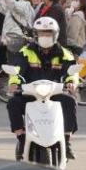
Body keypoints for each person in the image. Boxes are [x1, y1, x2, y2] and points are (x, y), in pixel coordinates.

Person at [6, 17, 79, 161]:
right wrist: (14, 83)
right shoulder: (26, 51)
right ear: (36, 35)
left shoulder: (65, 53)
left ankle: (67, 139)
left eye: (48, 33)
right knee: (13, 103)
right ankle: (21, 139)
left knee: (70, 101)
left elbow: (72, 71)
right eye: (41, 33)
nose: (45, 36)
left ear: (55, 34)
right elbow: (16, 70)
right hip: (30, 94)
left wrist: (71, 83)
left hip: (54, 94)